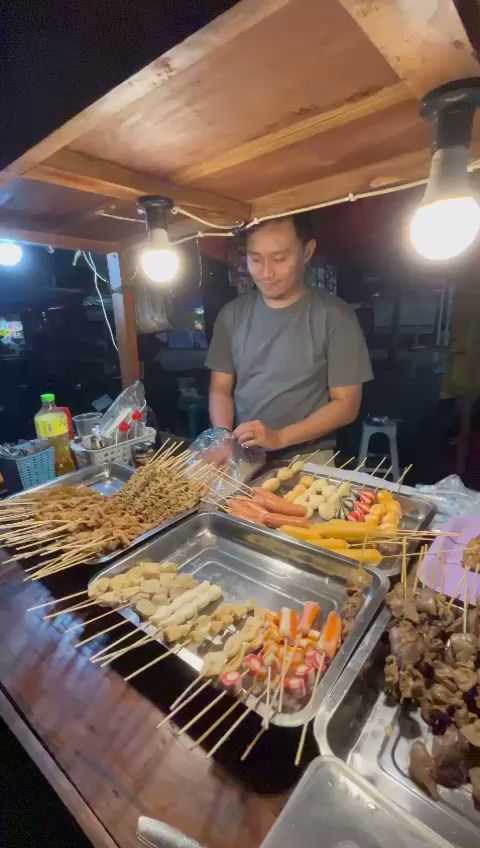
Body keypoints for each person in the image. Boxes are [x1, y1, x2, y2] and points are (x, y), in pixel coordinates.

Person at [206, 214, 373, 459]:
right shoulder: (231, 315)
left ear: (307, 252)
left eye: (280, 258)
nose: (266, 273)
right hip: (244, 452)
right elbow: (220, 388)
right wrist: (222, 434)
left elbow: (346, 405)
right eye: (255, 259)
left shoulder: (336, 315)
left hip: (308, 454)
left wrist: (279, 437)